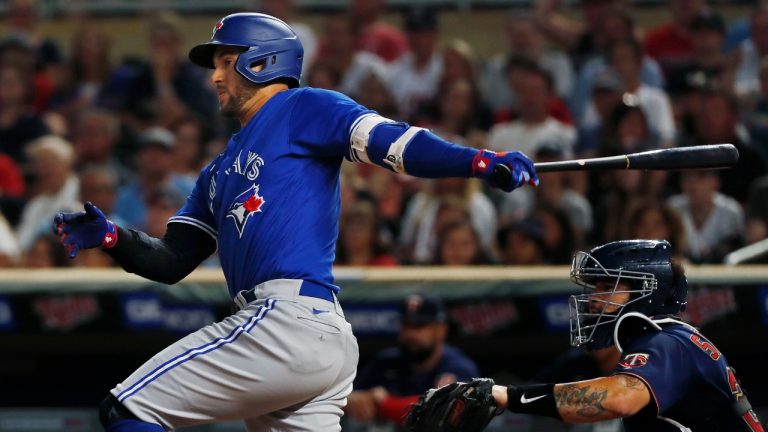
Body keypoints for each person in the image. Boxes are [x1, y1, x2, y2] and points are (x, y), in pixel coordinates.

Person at [51, 13, 537, 432]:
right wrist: (113, 237)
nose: (215, 77)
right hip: (312, 342)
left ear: (262, 61)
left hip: (285, 321)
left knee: (125, 407)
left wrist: (477, 161)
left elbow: (397, 144)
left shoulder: (304, 107)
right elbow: (173, 260)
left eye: (225, 62)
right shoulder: (217, 171)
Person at [410, 240, 765, 431]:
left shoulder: (667, 342)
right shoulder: (665, 341)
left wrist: (503, 395)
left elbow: (619, 400)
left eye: (608, 286)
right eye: (594, 286)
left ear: (649, 290)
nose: (594, 299)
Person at [347, 293, 479, 426]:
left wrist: (384, 403)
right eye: (406, 325)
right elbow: (342, 395)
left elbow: (440, 413)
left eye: (419, 326)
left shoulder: (458, 367)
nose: (410, 334)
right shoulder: (386, 362)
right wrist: (351, 399)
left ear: (441, 330)